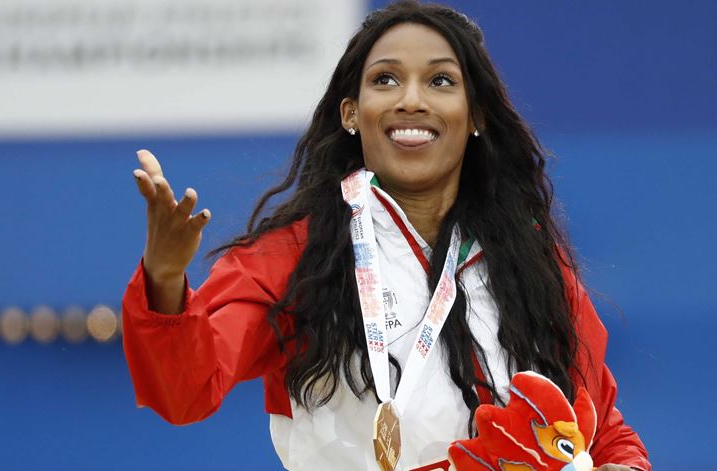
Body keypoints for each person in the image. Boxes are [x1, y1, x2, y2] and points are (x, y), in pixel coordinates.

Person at [122, 2, 650, 470]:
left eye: (441, 81)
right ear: (351, 112)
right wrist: (164, 278)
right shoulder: (295, 257)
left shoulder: (528, 259)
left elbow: (600, 426)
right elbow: (185, 391)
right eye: (385, 80)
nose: (411, 101)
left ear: (476, 116)